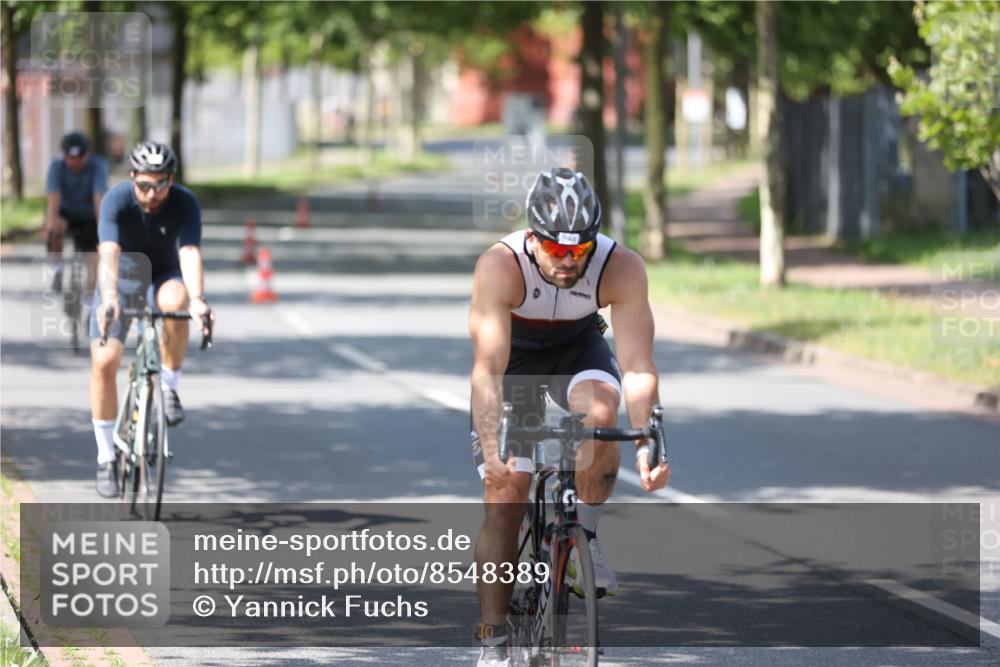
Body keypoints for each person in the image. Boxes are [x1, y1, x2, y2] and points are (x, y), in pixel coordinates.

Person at [468, 167, 671, 666]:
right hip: (515, 360)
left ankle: (586, 537)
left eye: (579, 249)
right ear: (532, 237)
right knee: (507, 494)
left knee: (602, 416)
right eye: (555, 249)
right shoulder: (501, 266)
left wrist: (647, 443)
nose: (567, 260)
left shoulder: (621, 266)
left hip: (577, 348)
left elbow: (638, 366)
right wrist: (492, 448)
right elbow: (488, 370)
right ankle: (493, 641)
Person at [90, 141, 215, 498]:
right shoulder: (116, 200)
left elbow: (189, 251)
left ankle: (169, 386)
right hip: (121, 279)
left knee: (178, 301)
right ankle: (106, 457)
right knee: (104, 361)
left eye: (161, 185)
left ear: (171, 180)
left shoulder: (185, 203)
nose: (152, 194)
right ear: (132, 177)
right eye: (144, 185)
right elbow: (109, 251)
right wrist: (109, 298)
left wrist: (199, 300)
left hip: (162, 276)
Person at [44, 131, 108, 293]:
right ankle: (57, 268)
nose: (75, 161)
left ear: (88, 154)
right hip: (66, 213)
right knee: (54, 230)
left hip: (89, 215)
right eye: (70, 157)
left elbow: (99, 198)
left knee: (93, 261)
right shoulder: (56, 166)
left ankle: (89, 298)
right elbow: (53, 198)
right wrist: (50, 226)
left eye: (79, 157)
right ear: (64, 155)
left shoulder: (98, 165)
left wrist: (103, 232)